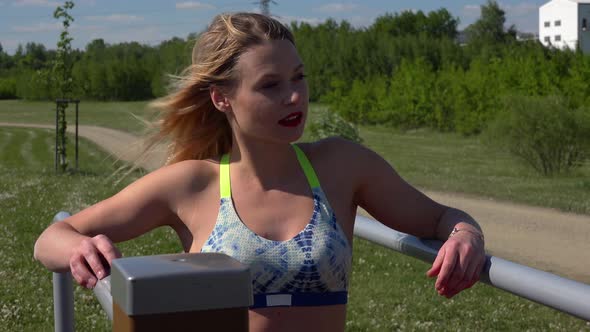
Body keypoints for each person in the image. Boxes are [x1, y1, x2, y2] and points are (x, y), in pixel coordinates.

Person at [34, 12, 486, 332]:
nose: (294, 97)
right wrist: (80, 247)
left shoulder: (343, 165)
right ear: (221, 98)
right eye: (270, 85)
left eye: (299, 77)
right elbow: (51, 238)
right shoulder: (192, 183)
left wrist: (466, 236)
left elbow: (443, 218)